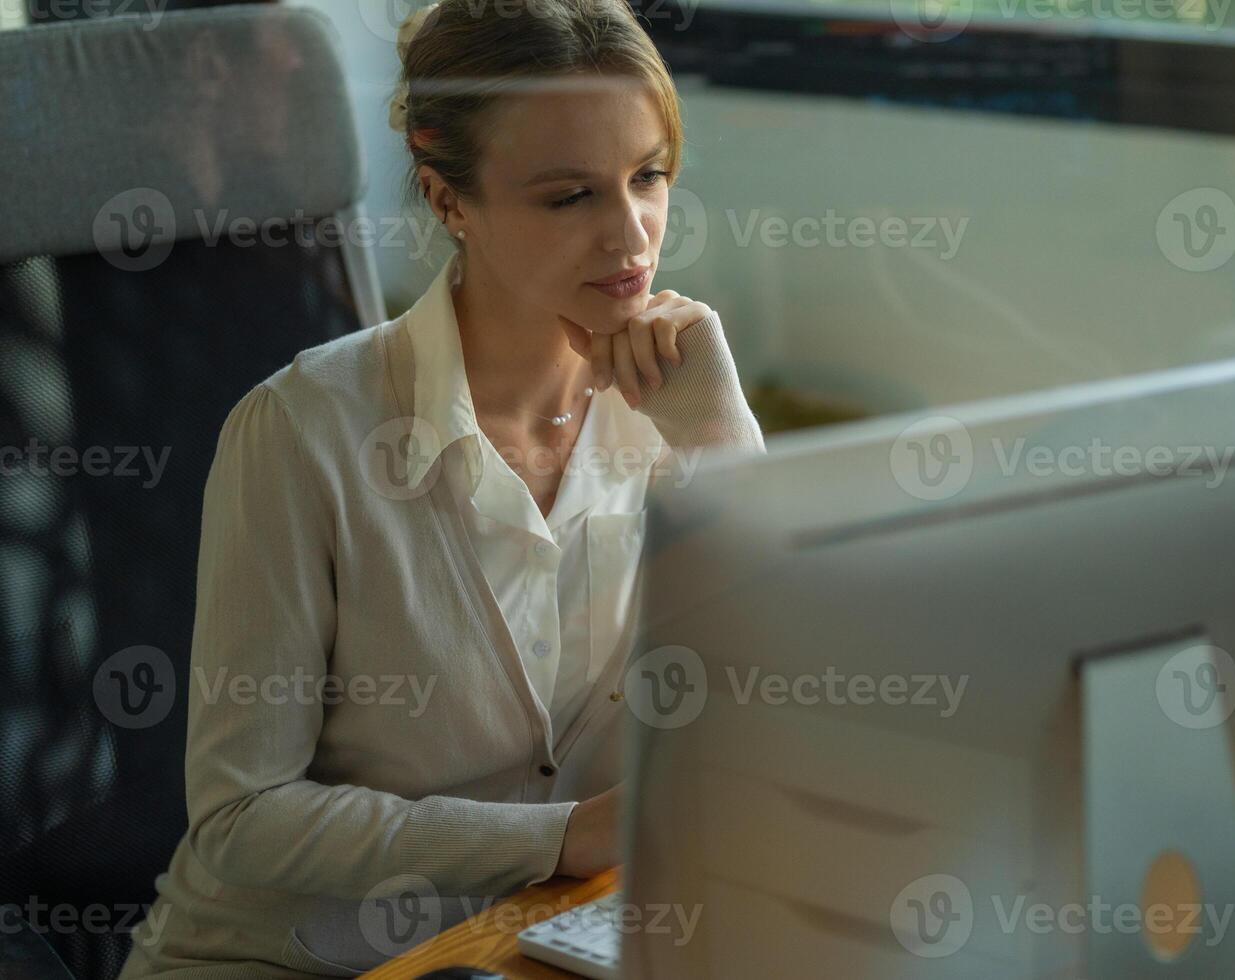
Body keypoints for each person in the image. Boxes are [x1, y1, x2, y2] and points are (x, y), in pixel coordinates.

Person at [119, 1, 765, 975]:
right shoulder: (300, 431)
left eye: (649, 177)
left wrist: (721, 443)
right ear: (448, 200)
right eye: (568, 196)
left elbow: (791, 708)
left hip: (526, 944)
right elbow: (242, 815)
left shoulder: (676, 404)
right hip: (285, 958)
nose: (631, 234)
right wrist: (560, 837)